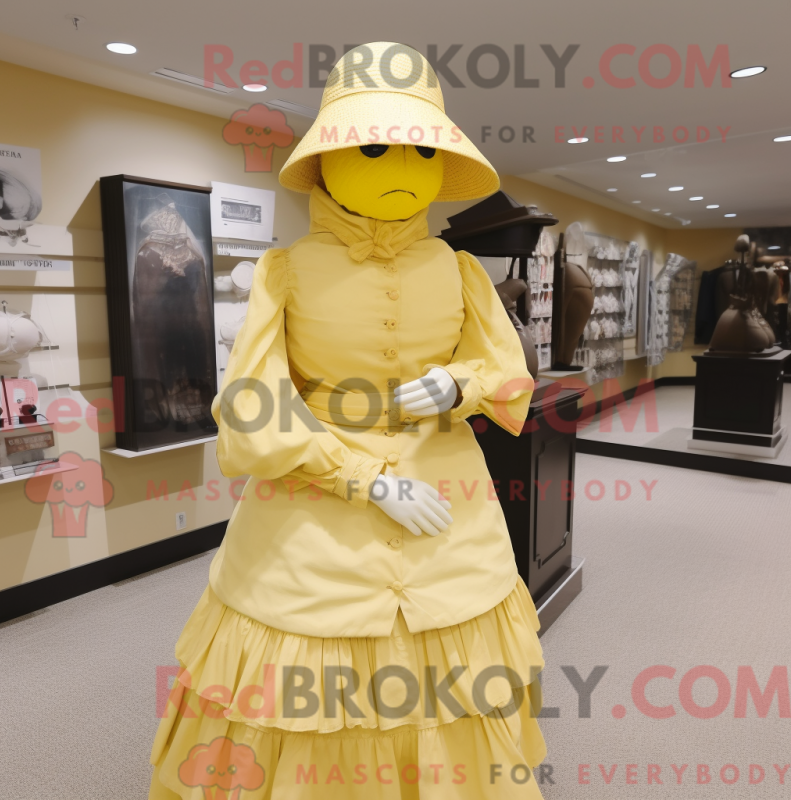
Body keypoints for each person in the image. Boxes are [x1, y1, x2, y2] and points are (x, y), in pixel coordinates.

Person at [149, 42, 547, 799]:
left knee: (453, 669)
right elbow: (253, 402)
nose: (402, 165)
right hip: (313, 498)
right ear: (328, 159)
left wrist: (459, 383)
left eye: (421, 149)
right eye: (372, 146)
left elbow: (504, 369)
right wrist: (364, 478)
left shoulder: (459, 269)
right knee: (299, 677)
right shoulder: (286, 270)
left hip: (447, 501)